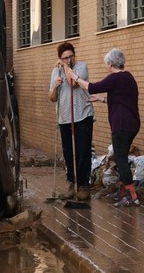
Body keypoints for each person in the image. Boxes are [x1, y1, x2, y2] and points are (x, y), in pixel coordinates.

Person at [64, 48, 141, 207]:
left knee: (121, 160)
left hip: (121, 125)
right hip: (132, 123)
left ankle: (132, 197)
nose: (106, 65)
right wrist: (101, 100)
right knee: (122, 158)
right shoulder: (128, 77)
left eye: (107, 63)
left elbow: (91, 86)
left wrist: (75, 77)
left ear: (111, 63)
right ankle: (123, 192)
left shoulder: (115, 78)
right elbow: (122, 99)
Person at [49, 42, 94, 201]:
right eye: (65, 58)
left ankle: (83, 185)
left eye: (70, 56)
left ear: (75, 55)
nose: (68, 60)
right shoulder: (56, 72)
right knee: (68, 152)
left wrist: (65, 67)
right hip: (64, 117)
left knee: (82, 150)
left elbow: (73, 83)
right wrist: (55, 86)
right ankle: (71, 183)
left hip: (82, 114)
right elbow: (52, 98)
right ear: (60, 58)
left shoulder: (81, 67)